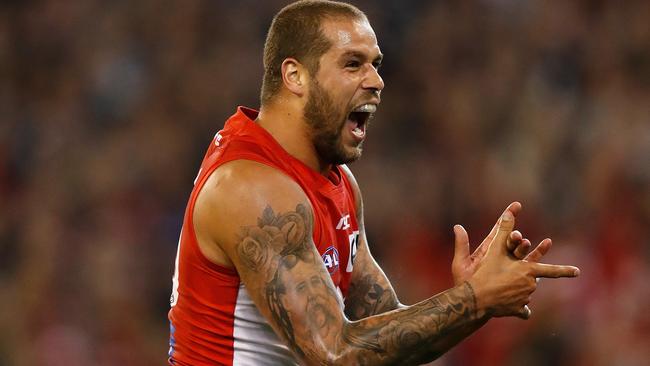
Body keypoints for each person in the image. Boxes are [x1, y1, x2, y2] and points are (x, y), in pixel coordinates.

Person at [167, 1, 580, 365]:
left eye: (375, 64)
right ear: (294, 75)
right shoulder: (250, 188)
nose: (376, 81)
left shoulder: (339, 182)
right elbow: (335, 354)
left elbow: (381, 332)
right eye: (352, 64)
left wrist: (473, 295)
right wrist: (473, 301)